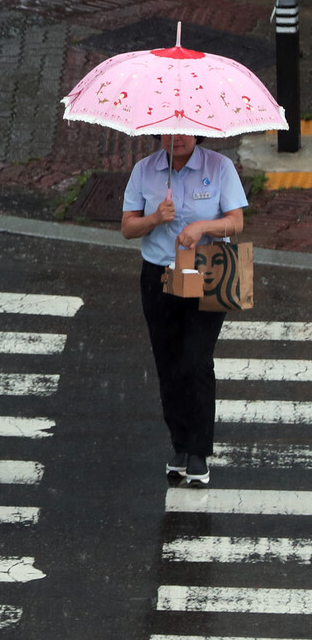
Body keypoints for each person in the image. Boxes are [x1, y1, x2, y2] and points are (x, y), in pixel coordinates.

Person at [121, 134, 246, 487]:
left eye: (184, 131)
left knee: (197, 360)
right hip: (159, 274)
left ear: (198, 133)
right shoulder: (145, 170)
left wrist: (202, 227)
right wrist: (155, 219)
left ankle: (198, 451)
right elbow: (127, 227)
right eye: (168, 131)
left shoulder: (219, 167)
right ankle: (179, 444)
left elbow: (237, 221)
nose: (176, 138)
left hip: (207, 269)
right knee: (169, 362)